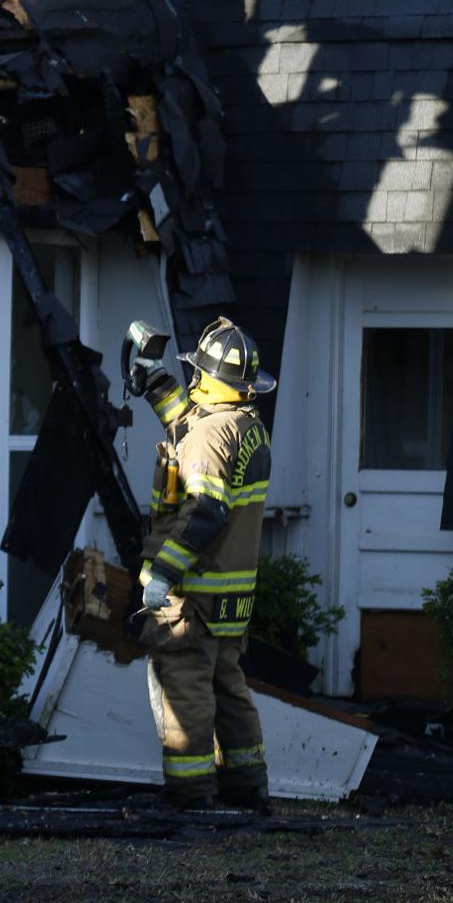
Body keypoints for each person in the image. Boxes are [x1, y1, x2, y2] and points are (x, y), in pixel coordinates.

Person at [131, 316, 275, 811]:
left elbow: (205, 511)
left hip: (193, 595)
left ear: (205, 377)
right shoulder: (246, 427)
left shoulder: (211, 437)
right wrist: (155, 381)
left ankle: (191, 796)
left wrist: (164, 573)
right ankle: (248, 787)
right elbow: (189, 425)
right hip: (229, 599)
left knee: (185, 691)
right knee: (228, 686)